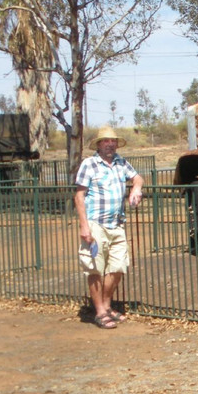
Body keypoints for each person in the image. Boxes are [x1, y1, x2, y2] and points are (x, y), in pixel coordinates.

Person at [74, 127, 144, 329]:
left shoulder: (121, 162)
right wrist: (84, 226)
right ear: (98, 144)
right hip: (96, 224)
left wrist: (136, 188)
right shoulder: (89, 164)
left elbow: (137, 177)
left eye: (113, 141)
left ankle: (107, 305)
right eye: (106, 141)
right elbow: (79, 196)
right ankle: (100, 312)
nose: (110, 144)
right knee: (95, 268)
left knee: (118, 267)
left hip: (117, 224)